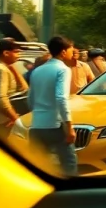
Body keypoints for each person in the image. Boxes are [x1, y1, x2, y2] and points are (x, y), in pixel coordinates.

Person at [28, 36, 78, 176]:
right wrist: (69, 126)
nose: (72, 54)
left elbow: (30, 99)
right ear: (63, 52)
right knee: (69, 163)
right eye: (71, 51)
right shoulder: (63, 69)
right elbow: (61, 98)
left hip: (36, 125)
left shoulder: (37, 71)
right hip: (55, 126)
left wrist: (38, 115)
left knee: (38, 167)